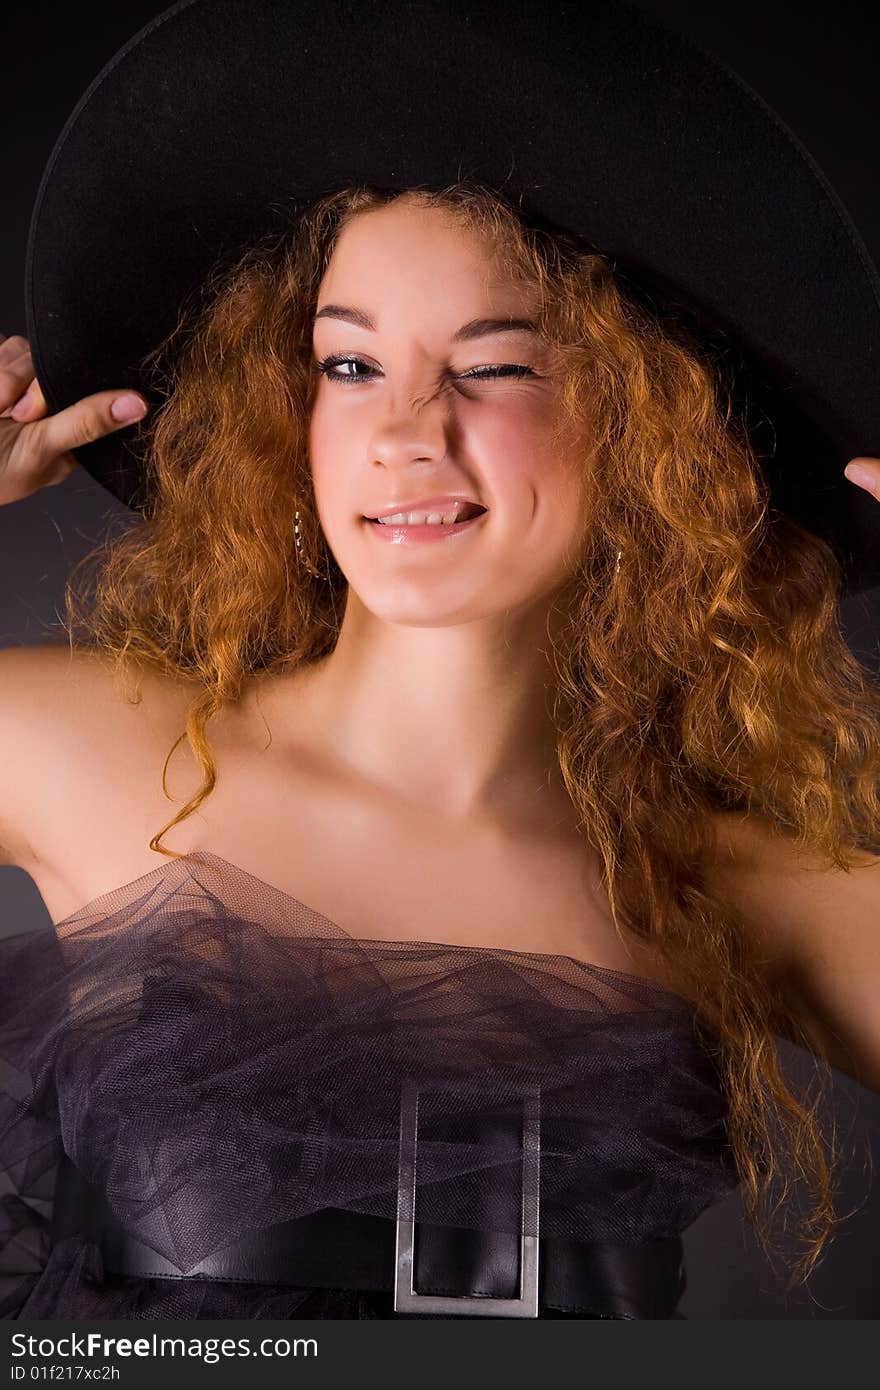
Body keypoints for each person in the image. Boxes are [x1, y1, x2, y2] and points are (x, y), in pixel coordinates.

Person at [2, 0, 880, 1323]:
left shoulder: (729, 885)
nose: (406, 432)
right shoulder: (77, 747)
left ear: (648, 428)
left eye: (495, 366)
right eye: (350, 363)